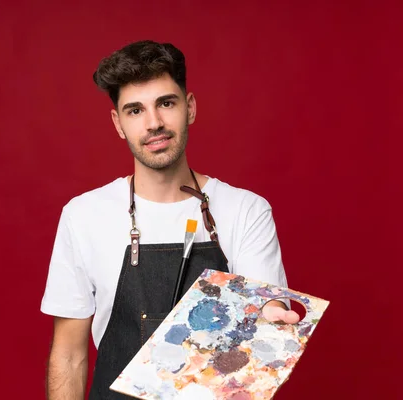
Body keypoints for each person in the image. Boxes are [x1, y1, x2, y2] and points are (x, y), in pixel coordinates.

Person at [40, 40, 300, 400]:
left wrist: (270, 320)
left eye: (166, 103)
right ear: (118, 123)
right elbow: (68, 356)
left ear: (189, 107)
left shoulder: (245, 211)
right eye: (135, 110)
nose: (154, 123)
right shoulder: (84, 216)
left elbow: (263, 321)